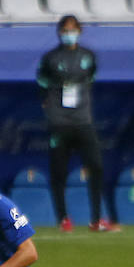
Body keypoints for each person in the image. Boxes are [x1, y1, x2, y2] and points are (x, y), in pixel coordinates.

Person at [35, 15, 117, 234]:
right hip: (59, 122)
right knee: (59, 170)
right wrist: (50, 107)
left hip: (83, 120)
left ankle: (97, 219)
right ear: (59, 32)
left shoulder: (88, 56)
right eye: (65, 29)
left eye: (73, 29)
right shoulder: (51, 58)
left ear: (79, 31)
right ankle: (63, 218)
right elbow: (41, 84)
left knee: (96, 166)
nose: (69, 33)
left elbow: (90, 78)